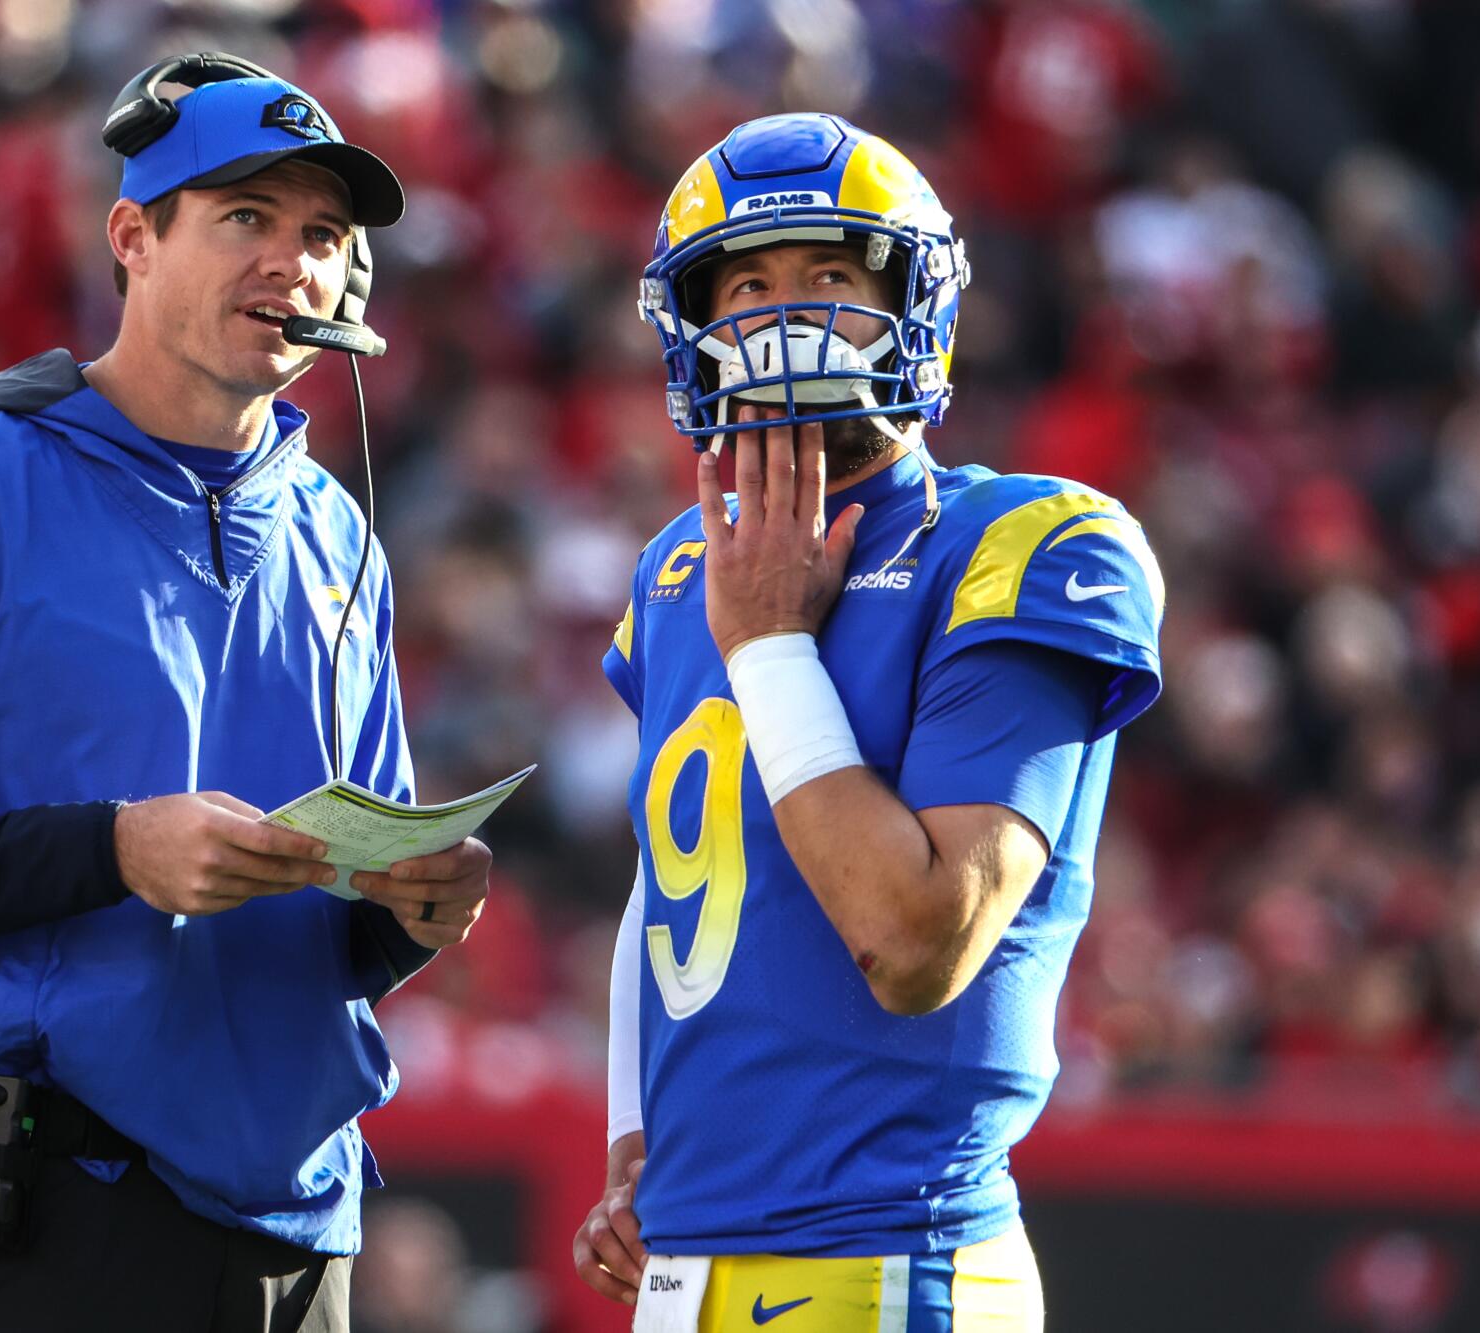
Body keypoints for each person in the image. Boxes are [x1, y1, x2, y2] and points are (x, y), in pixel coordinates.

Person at [0, 56, 492, 1333]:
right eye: (244, 217)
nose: (291, 262)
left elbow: (332, 934)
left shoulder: (336, 529)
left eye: (321, 234)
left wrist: (412, 914)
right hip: (45, 1209)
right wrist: (115, 848)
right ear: (131, 238)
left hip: (301, 1229)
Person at [572, 113, 1164, 1330]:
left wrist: (776, 644)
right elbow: (669, 875)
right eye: (745, 283)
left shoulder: (1028, 541)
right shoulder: (681, 563)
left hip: (886, 1264)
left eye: (829, 275)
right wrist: (639, 1136)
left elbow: (916, 941)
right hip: (684, 1271)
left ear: (914, 302)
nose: (783, 315)